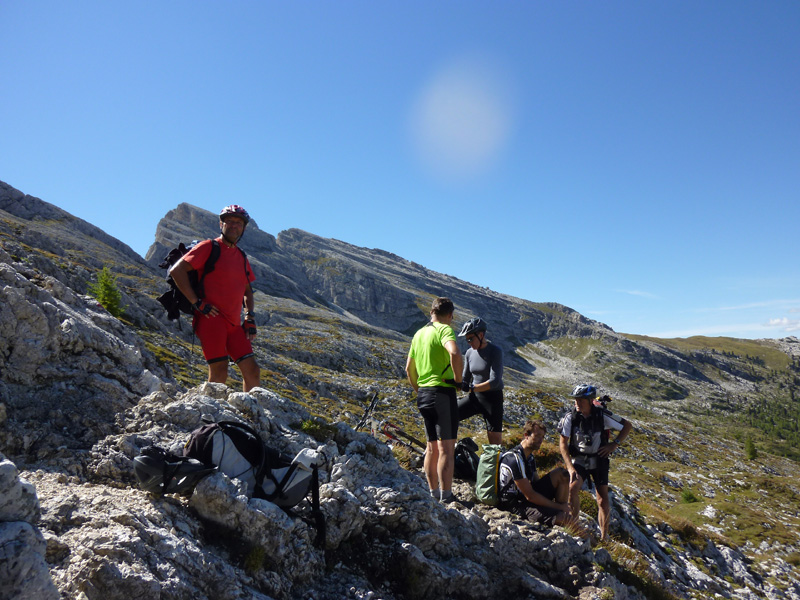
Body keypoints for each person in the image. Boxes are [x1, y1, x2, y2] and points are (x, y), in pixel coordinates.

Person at [169, 204, 260, 392]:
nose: (234, 226)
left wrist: (249, 317)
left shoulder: (241, 256)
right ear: (221, 224)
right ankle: (211, 415)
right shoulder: (209, 247)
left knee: (252, 370)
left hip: (234, 325)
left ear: (243, 228)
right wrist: (196, 302)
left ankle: (249, 416)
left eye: (239, 223)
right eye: (230, 221)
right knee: (219, 371)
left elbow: (248, 291)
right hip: (211, 320)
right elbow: (177, 271)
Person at [406, 297, 463, 503]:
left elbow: (408, 369)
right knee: (446, 448)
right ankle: (447, 497)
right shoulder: (444, 330)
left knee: (431, 447)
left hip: (424, 394)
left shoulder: (418, 334)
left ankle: (432, 493)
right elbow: (455, 353)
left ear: (432, 312)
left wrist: (419, 390)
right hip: (442, 393)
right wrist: (458, 380)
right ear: (449, 315)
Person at [558, 384, 632, 540]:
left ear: (591, 400)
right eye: (575, 400)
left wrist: (614, 444)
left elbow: (627, 425)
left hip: (600, 460)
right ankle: (574, 527)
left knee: (602, 498)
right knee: (572, 489)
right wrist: (570, 468)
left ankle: (604, 537)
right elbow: (562, 443)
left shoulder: (602, 415)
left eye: (581, 400)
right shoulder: (569, 417)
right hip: (579, 459)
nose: (577, 403)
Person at [498, 420, 572, 526]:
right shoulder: (514, 459)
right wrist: (557, 506)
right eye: (537, 436)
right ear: (526, 435)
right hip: (515, 505)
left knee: (562, 474)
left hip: (525, 499)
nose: (540, 440)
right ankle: (562, 514)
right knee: (566, 519)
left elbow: (536, 482)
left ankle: (562, 512)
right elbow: (530, 495)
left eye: (542, 437)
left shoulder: (530, 457)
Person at [457, 317, 504, 444]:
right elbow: (465, 378)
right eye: (467, 339)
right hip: (475, 397)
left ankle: (496, 463)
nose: (469, 342)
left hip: (493, 400)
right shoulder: (469, 353)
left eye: (471, 338)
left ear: (481, 335)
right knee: (450, 416)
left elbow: (494, 381)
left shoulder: (495, 351)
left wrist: (472, 388)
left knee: (494, 442)